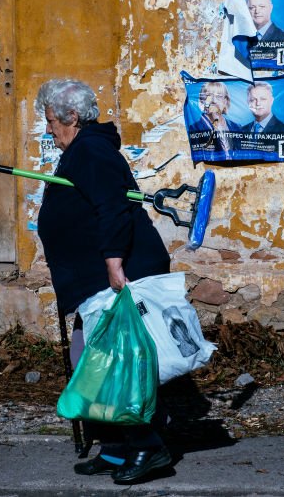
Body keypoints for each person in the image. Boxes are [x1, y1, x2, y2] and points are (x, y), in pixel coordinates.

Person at [34, 78, 173, 485]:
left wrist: (114, 264)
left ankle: (148, 445)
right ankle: (114, 448)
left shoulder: (91, 150)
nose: (48, 130)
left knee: (114, 365)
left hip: (111, 273)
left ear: (72, 117)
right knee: (88, 360)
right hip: (92, 275)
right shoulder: (85, 148)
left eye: (51, 122)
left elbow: (113, 209)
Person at [187, 81, 241, 152]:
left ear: (225, 101)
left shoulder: (237, 127)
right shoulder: (195, 128)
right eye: (208, 96)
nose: (214, 101)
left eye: (218, 96)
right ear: (202, 100)